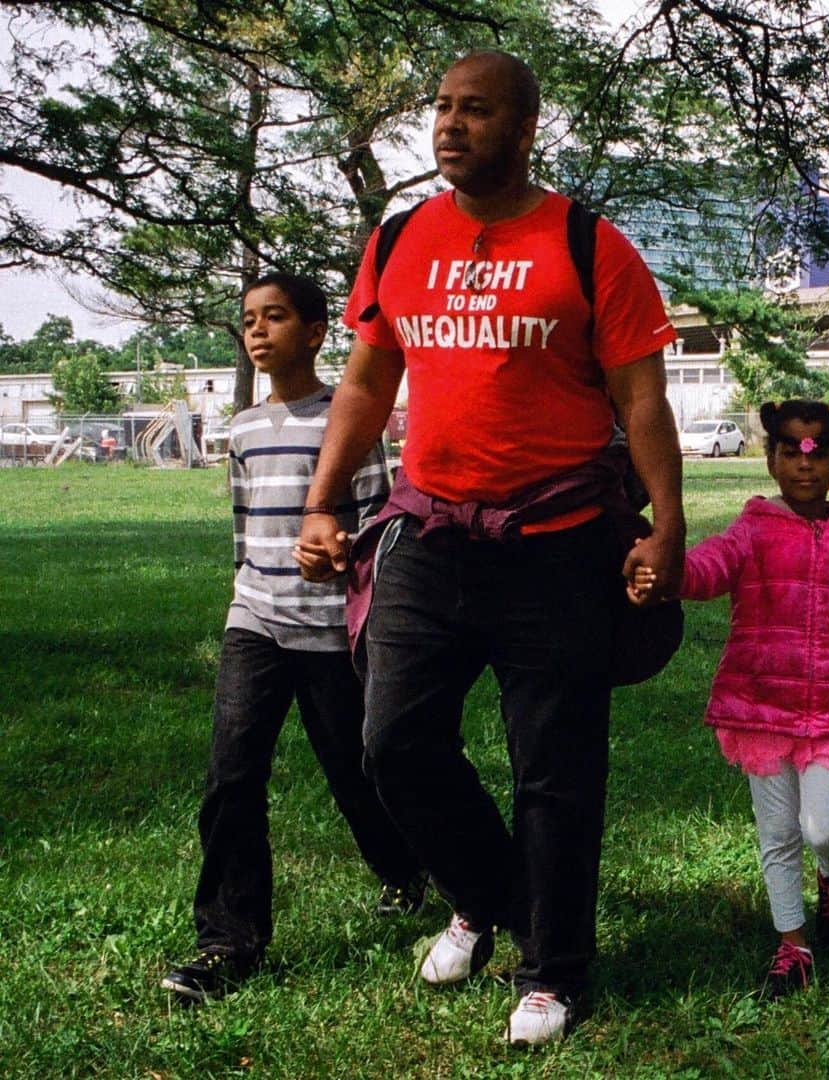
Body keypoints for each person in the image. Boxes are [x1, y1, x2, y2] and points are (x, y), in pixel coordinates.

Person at [295, 50, 685, 1045]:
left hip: (557, 542)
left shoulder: (590, 244)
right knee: (394, 743)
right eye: (441, 107)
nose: (450, 125)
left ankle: (552, 969)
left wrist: (669, 519)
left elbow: (642, 398)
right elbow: (365, 388)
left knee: (553, 765)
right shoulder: (400, 241)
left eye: (476, 110)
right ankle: (487, 892)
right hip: (428, 532)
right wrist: (323, 500)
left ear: (523, 129)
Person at [161, 272, 425, 1005]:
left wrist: (340, 549)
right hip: (255, 620)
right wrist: (242, 595)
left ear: (315, 332)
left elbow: (379, 521)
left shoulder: (348, 415)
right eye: (248, 319)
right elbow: (243, 530)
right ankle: (228, 938)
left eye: (274, 317)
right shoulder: (242, 428)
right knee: (232, 774)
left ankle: (404, 871)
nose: (257, 331)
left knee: (355, 771)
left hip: (329, 631)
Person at [631, 400, 829, 999]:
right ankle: (792, 944)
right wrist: (665, 572)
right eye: (790, 452)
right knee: (778, 833)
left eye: (819, 452)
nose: (805, 466)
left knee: (822, 828)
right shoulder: (750, 531)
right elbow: (707, 569)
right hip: (760, 710)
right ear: (771, 461)